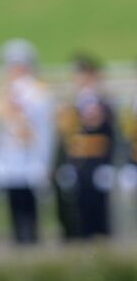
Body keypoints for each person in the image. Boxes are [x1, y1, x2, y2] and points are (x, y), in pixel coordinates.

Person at [0, 38, 54, 244]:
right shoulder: (2, 93)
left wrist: (43, 162)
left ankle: (32, 242)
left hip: (30, 156)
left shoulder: (39, 94)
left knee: (30, 208)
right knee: (13, 206)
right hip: (9, 159)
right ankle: (19, 242)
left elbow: (45, 132)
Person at [56, 53, 117, 238]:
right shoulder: (71, 104)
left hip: (97, 162)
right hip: (78, 164)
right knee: (78, 212)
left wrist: (109, 164)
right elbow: (67, 138)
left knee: (99, 210)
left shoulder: (103, 103)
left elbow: (112, 136)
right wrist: (66, 164)